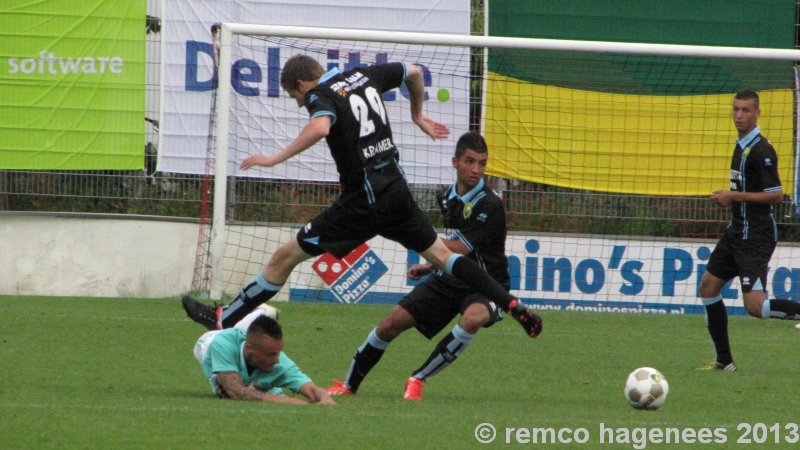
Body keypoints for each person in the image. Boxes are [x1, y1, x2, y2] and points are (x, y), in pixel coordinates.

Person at [182, 54, 542, 339]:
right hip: (397, 192)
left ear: (302, 83)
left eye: (296, 96)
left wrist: (272, 158)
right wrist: (417, 114)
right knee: (443, 256)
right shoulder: (363, 75)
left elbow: (321, 126)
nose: (299, 102)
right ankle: (511, 304)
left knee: (284, 256)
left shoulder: (321, 95)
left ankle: (223, 319)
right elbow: (414, 71)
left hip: (362, 204)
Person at [325, 132, 509, 400]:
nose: (476, 170)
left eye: (482, 163)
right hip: (451, 277)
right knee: (390, 324)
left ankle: (417, 379)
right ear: (455, 162)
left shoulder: (490, 204)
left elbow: (460, 248)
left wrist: (414, 234)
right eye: (470, 161)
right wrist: (429, 267)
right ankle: (348, 385)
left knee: (474, 318)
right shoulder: (446, 197)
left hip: (488, 284)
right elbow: (451, 251)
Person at [698, 88, 800, 371]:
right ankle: (724, 361)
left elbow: (777, 195)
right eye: (736, 109)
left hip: (755, 236)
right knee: (708, 287)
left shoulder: (762, 151)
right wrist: (731, 200)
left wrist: (733, 197)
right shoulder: (741, 144)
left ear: (757, 113)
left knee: (756, 308)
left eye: (745, 110)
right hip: (736, 231)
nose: (739, 115)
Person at [193, 303, 335, 404]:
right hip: (209, 341)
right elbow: (236, 391)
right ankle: (258, 312)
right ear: (250, 349)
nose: (277, 360)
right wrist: (288, 401)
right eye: (271, 354)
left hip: (248, 343)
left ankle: (260, 313)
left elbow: (311, 389)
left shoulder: (280, 362)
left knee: (258, 388)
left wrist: (324, 397)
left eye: (278, 352)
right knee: (233, 389)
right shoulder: (222, 345)